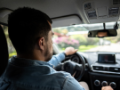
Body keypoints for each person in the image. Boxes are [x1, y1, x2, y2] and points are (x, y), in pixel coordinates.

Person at [0, 7, 112, 90]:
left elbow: (37, 65)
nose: (52, 42)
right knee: (84, 84)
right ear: (41, 42)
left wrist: (64, 53)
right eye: (51, 37)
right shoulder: (63, 83)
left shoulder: (3, 72)